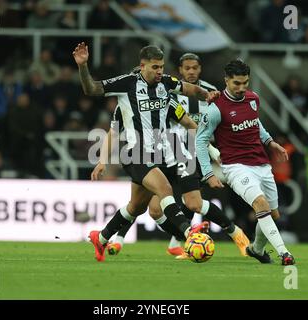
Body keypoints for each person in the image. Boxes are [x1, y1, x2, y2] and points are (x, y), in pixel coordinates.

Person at [73, 42, 217, 262]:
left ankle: (101, 238)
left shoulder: (166, 84)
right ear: (143, 66)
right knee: (165, 189)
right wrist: (83, 66)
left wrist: (206, 94)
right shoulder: (127, 83)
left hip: (160, 154)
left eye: (161, 67)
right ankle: (190, 234)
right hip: (135, 153)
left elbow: (190, 89)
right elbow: (91, 88)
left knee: (135, 208)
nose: (160, 71)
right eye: (155, 67)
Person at [103, 54, 249, 259]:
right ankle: (175, 242)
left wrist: (214, 150)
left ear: (200, 69)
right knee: (151, 208)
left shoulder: (204, 93)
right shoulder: (162, 91)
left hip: (186, 153)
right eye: (186, 68)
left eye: (194, 68)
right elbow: (115, 131)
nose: (191, 72)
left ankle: (237, 235)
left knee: (194, 203)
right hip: (158, 153)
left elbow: (201, 125)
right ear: (180, 70)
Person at [196, 59, 295, 265]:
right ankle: (284, 253)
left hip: (261, 163)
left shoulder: (253, 99)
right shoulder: (216, 108)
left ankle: (256, 249)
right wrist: (208, 173)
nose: (242, 88)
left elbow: (254, 122)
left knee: (273, 214)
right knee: (261, 204)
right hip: (236, 167)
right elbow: (200, 140)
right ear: (226, 80)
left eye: (245, 83)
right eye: (236, 83)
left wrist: (270, 142)